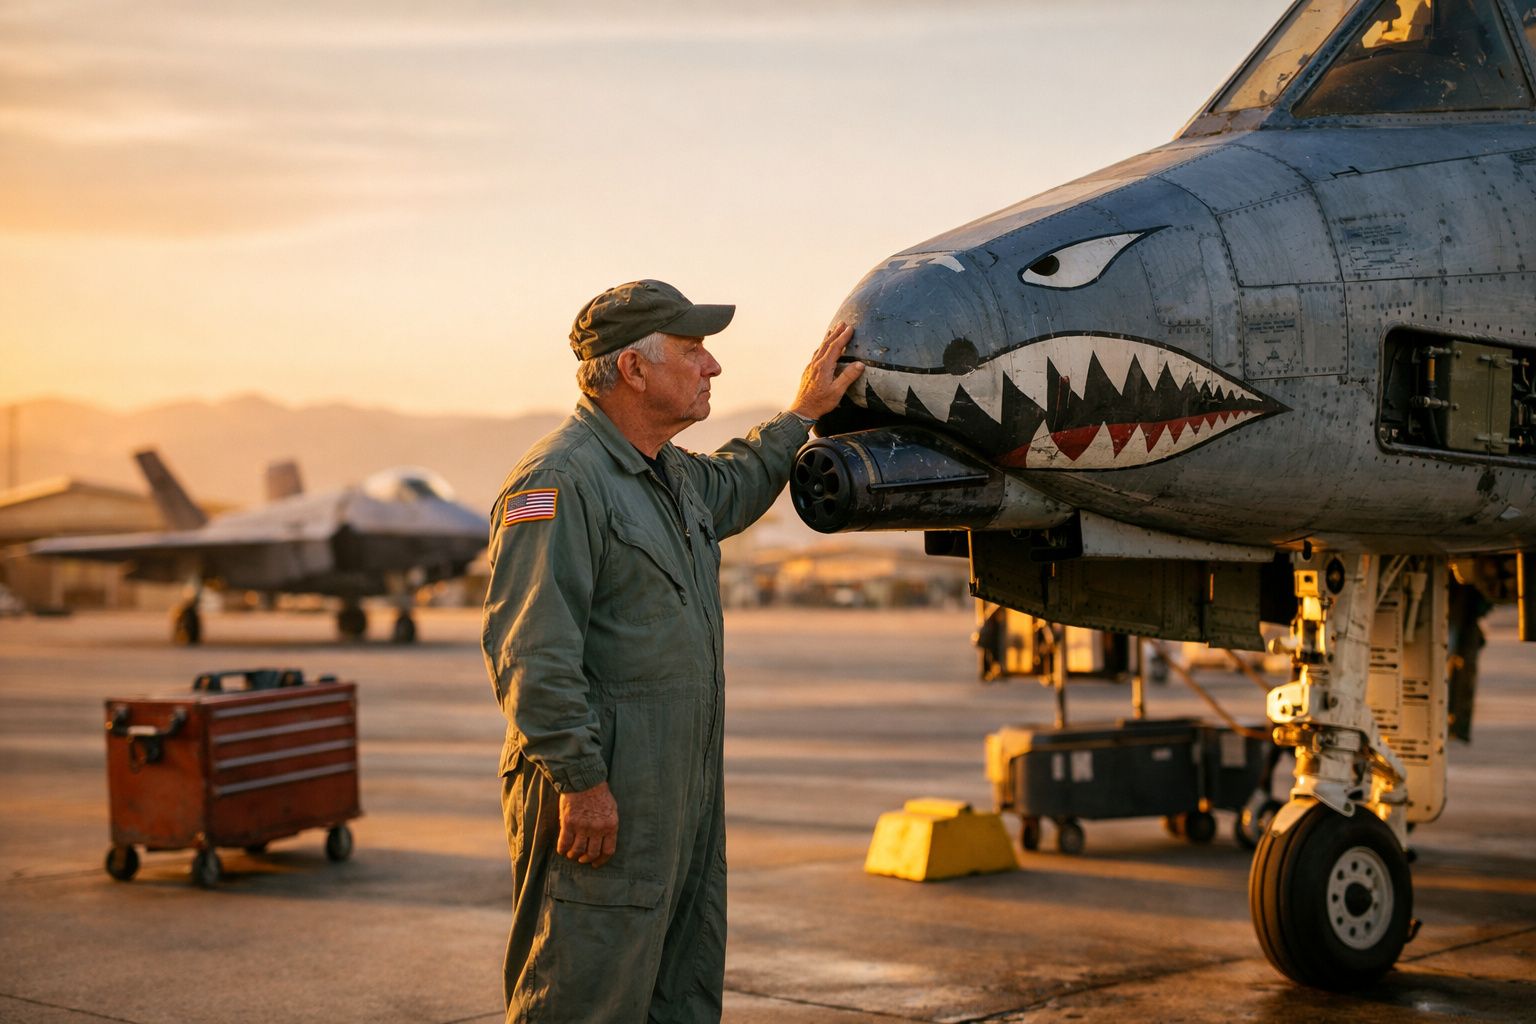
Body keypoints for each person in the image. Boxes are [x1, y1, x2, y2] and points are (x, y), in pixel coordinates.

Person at [481, 279, 863, 1023]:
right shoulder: (560, 479)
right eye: (693, 351)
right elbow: (531, 648)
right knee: (584, 993)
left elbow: (744, 479)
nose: (712, 367)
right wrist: (580, 780)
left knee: (675, 992)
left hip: (675, 792)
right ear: (634, 369)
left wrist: (803, 414)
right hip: (603, 798)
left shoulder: (669, 475)